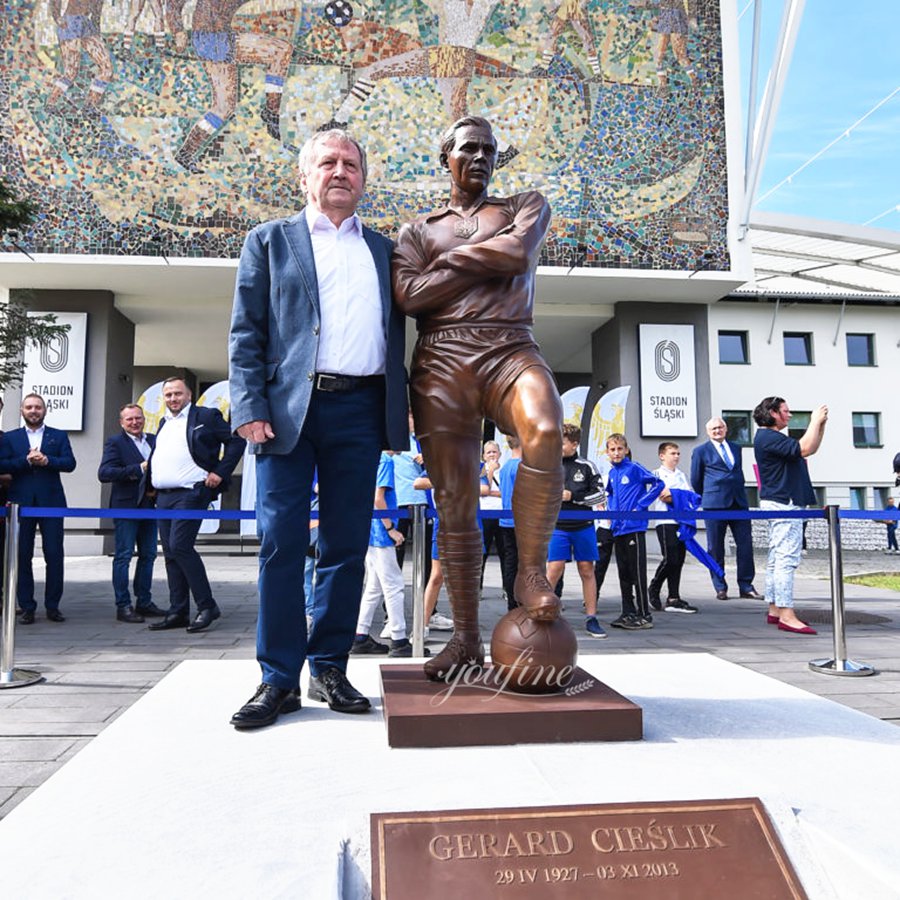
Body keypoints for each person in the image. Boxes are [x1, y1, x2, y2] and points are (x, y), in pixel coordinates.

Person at [228, 128, 408, 729]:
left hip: (360, 411)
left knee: (346, 544)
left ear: (363, 178)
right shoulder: (269, 241)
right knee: (281, 544)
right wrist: (248, 405)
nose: (339, 171)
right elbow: (246, 332)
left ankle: (329, 666)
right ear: (304, 177)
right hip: (285, 413)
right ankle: (277, 678)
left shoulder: (386, 251)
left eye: (351, 163)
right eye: (327, 162)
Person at [393, 115, 564, 680]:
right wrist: (483, 258)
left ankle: (531, 571)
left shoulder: (524, 205)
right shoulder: (417, 230)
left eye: (489, 150)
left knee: (542, 428)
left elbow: (518, 254)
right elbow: (410, 297)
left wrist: (451, 264)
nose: (481, 158)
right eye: (469, 148)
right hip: (441, 359)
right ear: (447, 156)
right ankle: (465, 640)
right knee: (455, 500)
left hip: (510, 347)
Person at [147, 377, 244, 633]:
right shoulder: (163, 422)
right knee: (169, 553)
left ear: (189, 395)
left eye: (177, 394)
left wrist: (220, 472)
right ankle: (178, 610)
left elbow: (236, 442)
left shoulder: (207, 416)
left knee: (181, 546)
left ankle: (207, 605)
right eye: (168, 395)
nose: (172, 399)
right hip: (163, 496)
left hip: (191, 493)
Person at [753, 397, 828, 634]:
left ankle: (775, 608)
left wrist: (820, 425)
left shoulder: (771, 438)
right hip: (784, 502)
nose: (790, 415)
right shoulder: (769, 437)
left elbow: (809, 449)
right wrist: (814, 420)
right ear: (773, 413)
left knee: (777, 557)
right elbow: (804, 448)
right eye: (786, 411)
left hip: (781, 500)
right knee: (786, 558)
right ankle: (786, 613)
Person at [0, 394, 76, 624]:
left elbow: (70, 463)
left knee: (54, 554)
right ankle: (27, 606)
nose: (34, 411)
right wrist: (26, 460)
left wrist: (47, 460)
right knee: (22, 555)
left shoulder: (58, 435)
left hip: (51, 502)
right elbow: (2, 464)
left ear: (45, 410)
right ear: (22, 410)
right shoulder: (10, 438)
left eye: (38, 407)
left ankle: (53, 606)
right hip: (20, 504)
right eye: (29, 407)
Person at [97, 403, 164, 623]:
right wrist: (138, 468)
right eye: (129, 419)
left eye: (138, 418)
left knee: (149, 555)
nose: (135, 422)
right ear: (121, 422)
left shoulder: (154, 440)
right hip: (126, 507)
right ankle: (123, 606)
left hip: (151, 506)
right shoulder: (115, 442)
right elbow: (105, 473)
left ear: (144, 418)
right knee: (124, 555)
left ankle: (143, 602)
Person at [690, 416, 761, 601]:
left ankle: (746, 586)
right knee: (715, 547)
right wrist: (709, 495)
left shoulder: (736, 448)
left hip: (739, 502)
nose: (717, 431)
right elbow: (696, 480)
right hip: (714, 504)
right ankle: (720, 586)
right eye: (713, 429)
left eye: (720, 427)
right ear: (708, 432)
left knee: (745, 546)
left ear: (726, 428)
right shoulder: (700, 451)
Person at [545, 423, 606, 637]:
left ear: (575, 444)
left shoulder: (587, 466)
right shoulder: (548, 465)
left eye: (561, 443)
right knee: (553, 569)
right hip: (557, 527)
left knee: (587, 570)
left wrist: (574, 497)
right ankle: (542, 617)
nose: (557, 446)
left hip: (583, 526)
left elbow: (600, 496)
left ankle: (591, 618)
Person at [350, 451, 412, 657]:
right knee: (394, 585)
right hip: (380, 531)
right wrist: (390, 528)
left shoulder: (370, 457)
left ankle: (361, 634)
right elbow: (379, 497)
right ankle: (399, 638)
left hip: (368, 528)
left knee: (374, 587)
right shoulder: (385, 460)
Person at [604, 433, 667, 631]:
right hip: (619, 529)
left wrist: (640, 506)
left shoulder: (634, 468)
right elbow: (610, 494)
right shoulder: (612, 474)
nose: (616, 453)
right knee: (623, 572)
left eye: (619, 449)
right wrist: (611, 516)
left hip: (635, 528)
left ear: (626, 450)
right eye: (612, 450)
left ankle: (643, 614)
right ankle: (627, 611)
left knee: (637, 572)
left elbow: (658, 484)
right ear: (607, 452)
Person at [648, 441, 696, 613]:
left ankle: (673, 597)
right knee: (670, 558)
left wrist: (677, 495)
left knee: (679, 560)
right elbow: (663, 496)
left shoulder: (681, 475)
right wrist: (678, 496)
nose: (676, 456)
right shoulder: (657, 474)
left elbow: (690, 496)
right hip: (665, 521)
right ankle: (654, 586)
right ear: (662, 456)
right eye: (672, 453)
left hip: (681, 521)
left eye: (678, 453)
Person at [497, 435, 522, 612]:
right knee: (521, 564)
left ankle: (512, 602)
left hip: (506, 521)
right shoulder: (521, 467)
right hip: (520, 522)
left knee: (510, 562)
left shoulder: (506, 467)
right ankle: (517, 601)